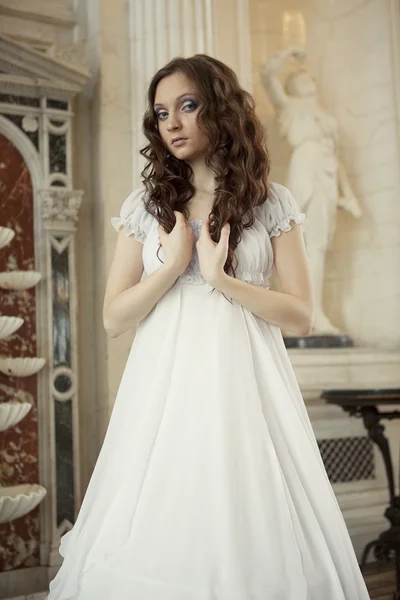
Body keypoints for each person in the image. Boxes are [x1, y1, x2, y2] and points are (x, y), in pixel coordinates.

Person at [46, 54, 370, 599]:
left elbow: (301, 313)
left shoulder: (270, 202)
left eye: (187, 106)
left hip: (246, 385)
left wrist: (222, 279)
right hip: (162, 393)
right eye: (161, 112)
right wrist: (172, 267)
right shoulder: (145, 207)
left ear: (219, 109)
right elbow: (112, 317)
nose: (171, 122)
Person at [261, 46, 362, 335]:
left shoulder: (324, 116)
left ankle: (316, 313)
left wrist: (348, 193)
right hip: (306, 168)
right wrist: (288, 53)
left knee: (319, 245)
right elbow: (267, 75)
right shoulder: (289, 106)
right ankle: (302, 313)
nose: (305, 80)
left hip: (326, 173)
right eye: (298, 78)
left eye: (307, 77)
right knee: (302, 243)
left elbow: (335, 157)